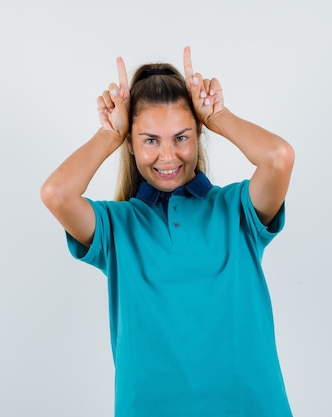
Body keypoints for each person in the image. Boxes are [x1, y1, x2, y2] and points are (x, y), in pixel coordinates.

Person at [41, 46, 295, 417]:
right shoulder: (116, 227)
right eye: (150, 140)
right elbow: (56, 193)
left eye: (181, 137)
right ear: (131, 142)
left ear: (198, 135)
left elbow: (278, 157)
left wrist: (219, 116)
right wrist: (110, 134)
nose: (168, 156)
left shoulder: (237, 210)